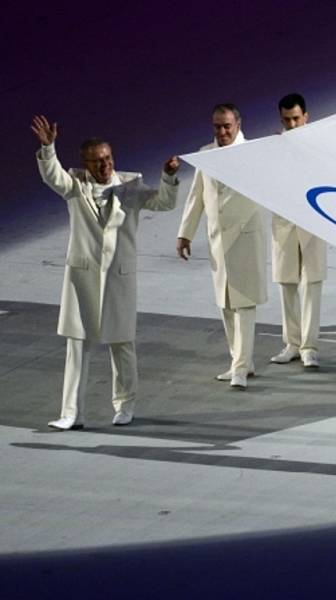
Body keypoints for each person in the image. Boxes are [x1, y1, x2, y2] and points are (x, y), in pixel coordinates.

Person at [31, 115, 179, 430]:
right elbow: (52, 176)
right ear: (85, 163)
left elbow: (165, 203)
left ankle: (125, 406)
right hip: (82, 279)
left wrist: (168, 177)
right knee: (76, 346)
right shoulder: (76, 186)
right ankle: (72, 413)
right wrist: (48, 148)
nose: (104, 165)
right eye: (97, 161)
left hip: (118, 279)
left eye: (108, 158)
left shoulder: (131, 186)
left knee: (122, 345)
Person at [177, 104, 267, 390]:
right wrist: (185, 234)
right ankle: (240, 362)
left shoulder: (255, 153)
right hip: (218, 239)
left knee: (245, 303)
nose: (223, 131)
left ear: (238, 124)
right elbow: (197, 196)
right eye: (218, 126)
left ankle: (240, 367)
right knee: (226, 304)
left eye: (227, 126)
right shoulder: (206, 154)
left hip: (245, 237)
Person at [270, 93, 327, 368]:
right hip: (284, 224)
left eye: (295, 119)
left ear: (306, 116)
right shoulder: (275, 146)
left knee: (312, 284)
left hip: (312, 224)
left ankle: (309, 346)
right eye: (286, 120)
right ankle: (291, 343)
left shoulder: (319, 146)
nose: (292, 125)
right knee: (287, 284)